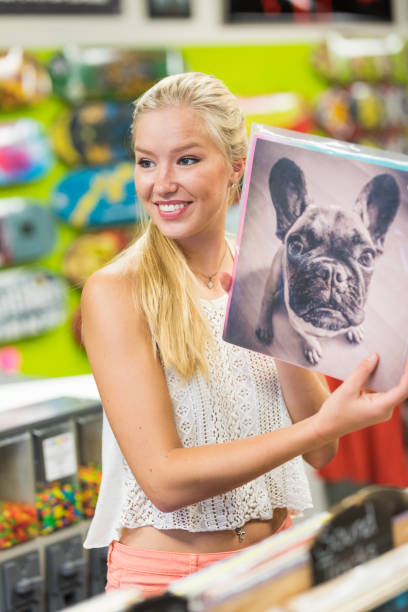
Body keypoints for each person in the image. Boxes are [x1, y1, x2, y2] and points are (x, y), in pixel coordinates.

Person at [81, 72, 408, 598]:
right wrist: (323, 426)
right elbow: (164, 481)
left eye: (186, 159)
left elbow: (322, 453)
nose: (161, 182)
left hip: (275, 560)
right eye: (147, 161)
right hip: (172, 583)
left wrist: (275, 315)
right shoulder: (117, 291)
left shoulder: (261, 269)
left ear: (236, 168)